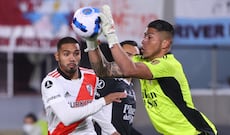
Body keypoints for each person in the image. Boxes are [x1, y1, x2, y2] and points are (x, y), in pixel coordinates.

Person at [85, 5, 218, 135]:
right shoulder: (141, 61)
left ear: (165, 44)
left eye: (149, 37)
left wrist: (111, 35)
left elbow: (128, 69)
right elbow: (102, 70)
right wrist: (91, 43)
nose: (143, 41)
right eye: (144, 36)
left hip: (195, 132)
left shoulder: (169, 65)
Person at [41, 36, 127, 135]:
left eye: (76, 54)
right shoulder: (51, 82)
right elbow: (67, 118)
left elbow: (92, 107)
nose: (72, 58)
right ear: (57, 56)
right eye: (66, 54)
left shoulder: (91, 76)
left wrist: (111, 131)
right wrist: (103, 101)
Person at [93, 41, 142, 135]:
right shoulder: (110, 81)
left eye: (136, 56)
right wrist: (111, 131)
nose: (132, 59)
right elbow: (92, 106)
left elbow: (125, 124)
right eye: (127, 55)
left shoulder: (129, 86)